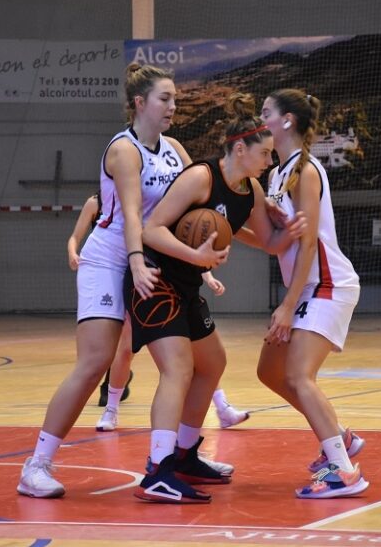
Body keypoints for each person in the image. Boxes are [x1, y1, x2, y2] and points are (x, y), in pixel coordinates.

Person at [17, 62, 192, 498]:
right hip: (110, 261)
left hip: (149, 261)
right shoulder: (123, 150)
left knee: (186, 361)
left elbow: (201, 198)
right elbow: (132, 213)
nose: (173, 105)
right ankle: (36, 465)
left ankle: (180, 458)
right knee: (95, 361)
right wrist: (135, 260)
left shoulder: (174, 149)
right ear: (140, 103)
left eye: (174, 98)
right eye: (165, 98)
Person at [128, 99, 301, 504]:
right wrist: (197, 257)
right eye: (264, 154)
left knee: (213, 363)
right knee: (178, 369)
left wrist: (293, 228)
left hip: (186, 285)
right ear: (239, 149)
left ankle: (185, 455)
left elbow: (270, 243)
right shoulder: (201, 177)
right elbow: (151, 230)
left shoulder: (251, 190)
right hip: (154, 278)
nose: (269, 161)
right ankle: (157, 471)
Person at [257, 89, 369, 499]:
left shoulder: (305, 170)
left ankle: (343, 472)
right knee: (269, 371)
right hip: (307, 286)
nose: (260, 120)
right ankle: (340, 435)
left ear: (286, 120)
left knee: (298, 376)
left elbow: (307, 245)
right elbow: (280, 241)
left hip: (327, 284)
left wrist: (287, 306)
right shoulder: (276, 174)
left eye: (265, 113)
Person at [66, 194, 249, 433]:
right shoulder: (95, 203)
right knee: (125, 350)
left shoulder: (152, 200)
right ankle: (111, 409)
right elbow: (75, 237)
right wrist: (73, 252)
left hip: (149, 272)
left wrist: (207, 275)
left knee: (194, 351)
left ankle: (222, 407)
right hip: (116, 273)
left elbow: (187, 241)